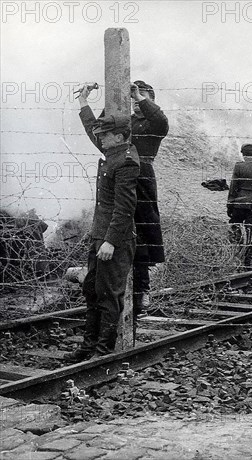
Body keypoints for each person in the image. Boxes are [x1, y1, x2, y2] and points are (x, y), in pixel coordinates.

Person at [78, 80, 168, 318]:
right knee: (115, 233)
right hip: (116, 180)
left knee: (143, 236)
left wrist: (140, 98)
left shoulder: (152, 124)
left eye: (143, 97)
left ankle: (141, 292)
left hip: (142, 180)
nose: (137, 103)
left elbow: (161, 122)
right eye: (134, 98)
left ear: (151, 101)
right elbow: (98, 131)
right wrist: (86, 103)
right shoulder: (123, 125)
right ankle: (113, 296)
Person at [65, 106, 140, 361]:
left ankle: (102, 352)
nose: (101, 138)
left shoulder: (127, 161)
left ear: (119, 136)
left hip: (114, 240)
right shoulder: (114, 151)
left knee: (109, 295)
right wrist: (84, 105)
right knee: (91, 290)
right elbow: (92, 132)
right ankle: (88, 347)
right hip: (101, 236)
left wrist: (110, 241)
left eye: (106, 134)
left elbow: (125, 208)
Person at [227, 144, 252, 266]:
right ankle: (247, 261)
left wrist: (230, 205)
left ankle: (235, 258)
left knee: (236, 230)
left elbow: (233, 187)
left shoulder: (239, 166)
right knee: (251, 233)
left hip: (239, 203)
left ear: (243, 154)